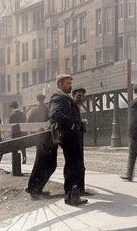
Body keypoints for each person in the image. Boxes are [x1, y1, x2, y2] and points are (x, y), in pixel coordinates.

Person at [49, 74, 87, 206]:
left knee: (74, 166)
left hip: (71, 135)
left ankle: (72, 196)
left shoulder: (65, 97)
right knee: (72, 166)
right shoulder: (58, 97)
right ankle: (71, 197)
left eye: (71, 84)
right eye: (67, 84)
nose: (70, 86)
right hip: (67, 136)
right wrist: (72, 123)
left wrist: (79, 123)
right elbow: (55, 114)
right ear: (59, 84)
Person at [26, 94, 56, 200]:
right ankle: (35, 189)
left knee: (39, 164)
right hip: (48, 140)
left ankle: (35, 188)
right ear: (44, 100)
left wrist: (34, 136)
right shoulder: (48, 110)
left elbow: (28, 125)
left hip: (39, 140)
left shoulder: (33, 111)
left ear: (37, 100)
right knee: (48, 165)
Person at [72, 87, 88, 195]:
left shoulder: (77, 106)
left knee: (80, 164)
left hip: (78, 137)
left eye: (82, 96)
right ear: (74, 96)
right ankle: (78, 190)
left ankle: (80, 189)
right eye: (78, 95)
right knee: (76, 164)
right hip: (73, 137)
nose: (81, 97)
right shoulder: (72, 106)